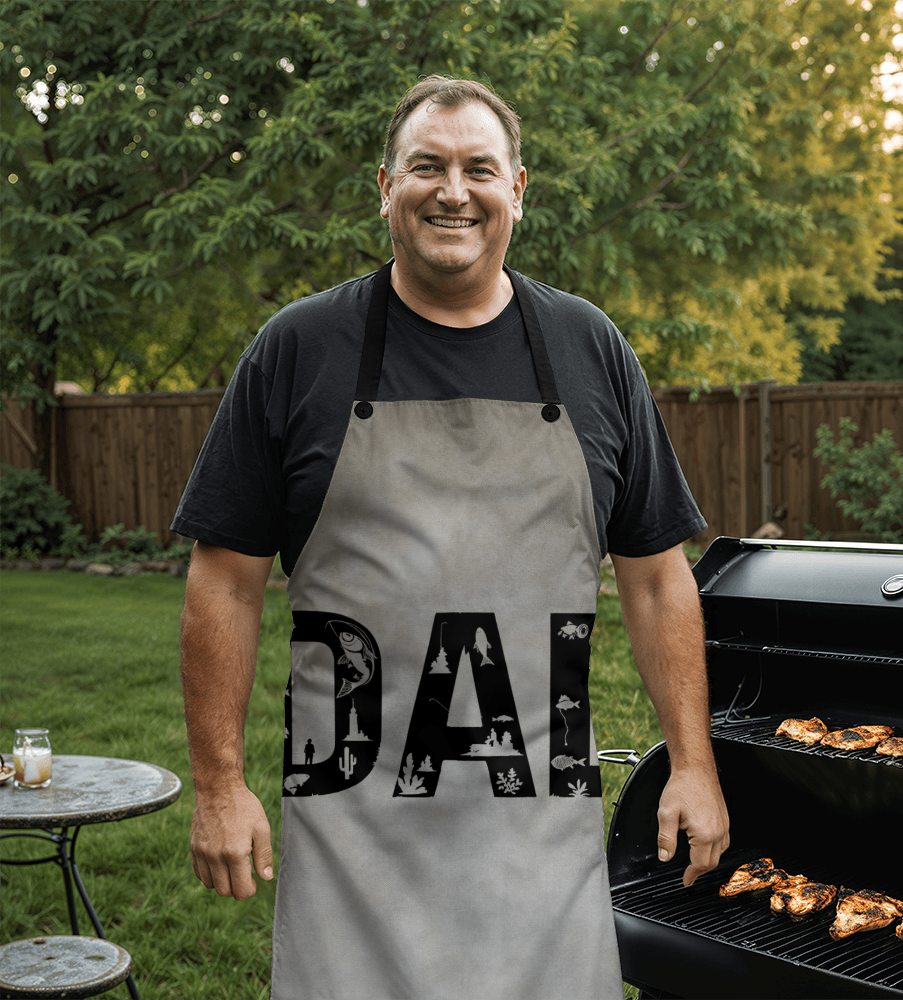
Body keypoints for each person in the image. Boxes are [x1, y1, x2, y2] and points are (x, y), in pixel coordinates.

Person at [174, 75, 729, 1000]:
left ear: (518, 189)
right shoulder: (299, 347)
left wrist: (695, 767)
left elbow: (657, 580)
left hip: (539, 841)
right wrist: (219, 786)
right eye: (426, 166)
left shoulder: (590, 348)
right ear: (383, 185)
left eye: (480, 168)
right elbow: (223, 581)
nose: (452, 190)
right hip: (352, 837)